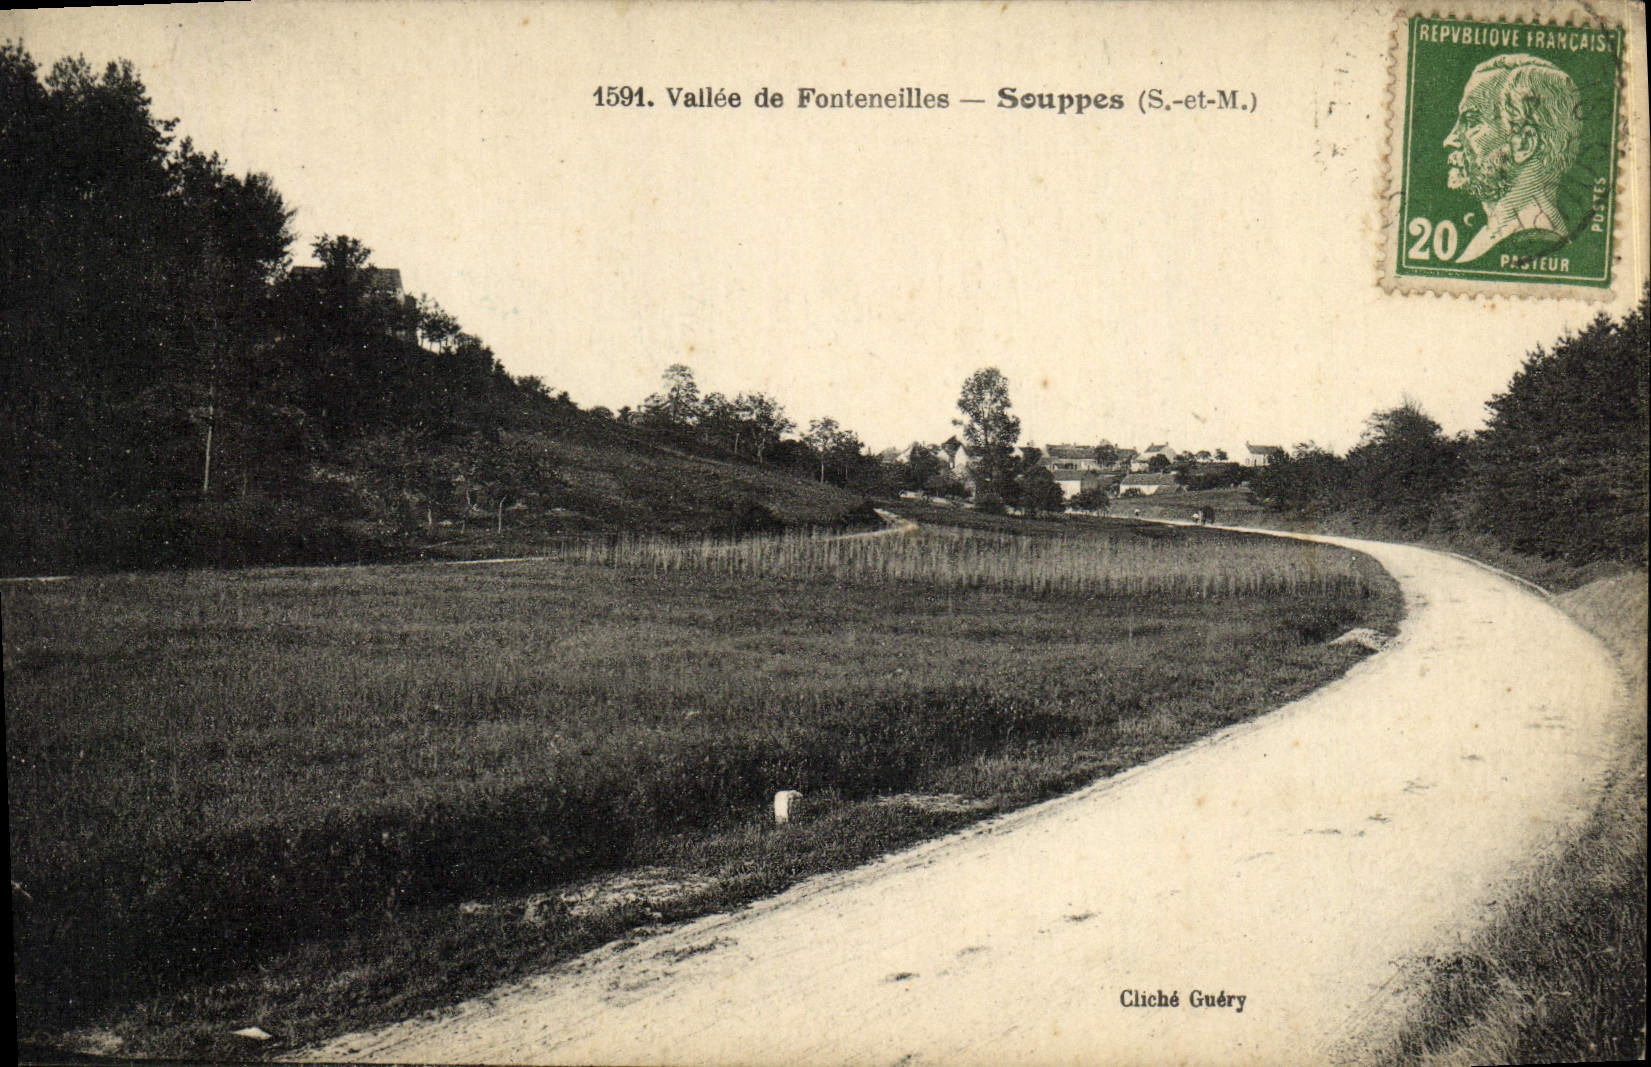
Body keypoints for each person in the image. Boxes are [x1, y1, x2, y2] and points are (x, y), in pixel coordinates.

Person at [1442, 54, 1582, 264]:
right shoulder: (1497, 234)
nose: (1449, 140)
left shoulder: (1534, 240)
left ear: (1524, 144)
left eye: (1471, 121)